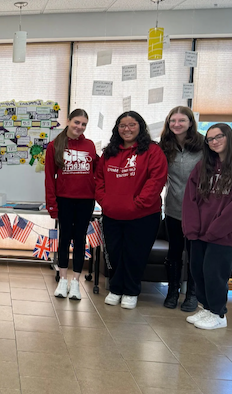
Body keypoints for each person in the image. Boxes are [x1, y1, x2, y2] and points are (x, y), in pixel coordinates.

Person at [182, 124, 232, 330]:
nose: (214, 142)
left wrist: (215, 230)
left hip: (224, 234)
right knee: (198, 271)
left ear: (229, 137)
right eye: (210, 139)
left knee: (215, 273)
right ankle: (206, 308)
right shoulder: (204, 165)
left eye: (219, 137)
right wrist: (192, 227)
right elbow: (191, 198)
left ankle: (218, 313)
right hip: (199, 233)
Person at [96, 111, 167, 309]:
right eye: (122, 125)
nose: (127, 129)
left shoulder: (153, 151)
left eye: (132, 125)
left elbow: (156, 181)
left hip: (143, 215)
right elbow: (99, 179)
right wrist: (105, 201)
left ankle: (131, 291)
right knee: (115, 252)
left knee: (135, 253)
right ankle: (116, 288)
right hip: (112, 213)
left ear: (140, 126)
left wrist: (138, 204)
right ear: (117, 129)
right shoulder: (109, 152)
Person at [44, 109, 97, 300]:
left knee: (80, 238)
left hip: (86, 200)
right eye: (76, 122)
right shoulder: (54, 146)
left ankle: (76, 282)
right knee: (64, 238)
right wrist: (51, 204)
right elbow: (49, 178)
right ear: (68, 121)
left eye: (83, 124)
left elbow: (97, 172)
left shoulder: (90, 145)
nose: (79, 127)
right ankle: (63, 280)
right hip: (64, 199)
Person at [159, 107, 205, 311]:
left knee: (195, 253)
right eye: (172, 121)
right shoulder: (164, 146)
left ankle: (192, 294)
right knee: (174, 251)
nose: (176, 124)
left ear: (190, 122)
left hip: (199, 210)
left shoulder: (204, 145)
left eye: (181, 120)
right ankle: (172, 291)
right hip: (173, 208)